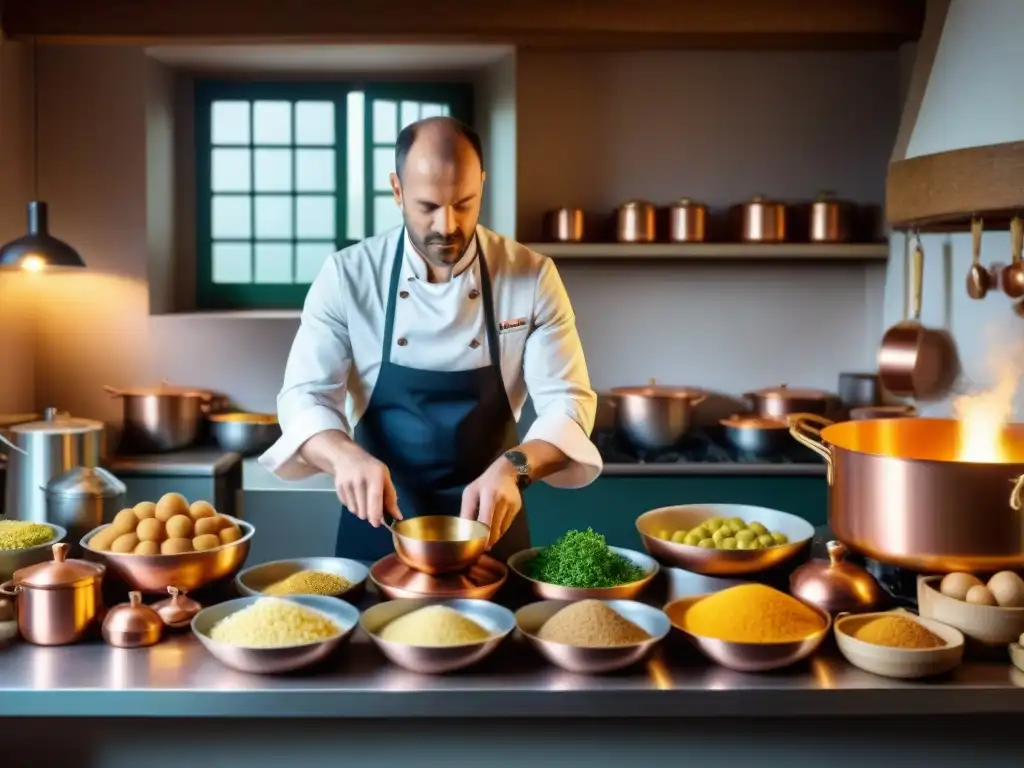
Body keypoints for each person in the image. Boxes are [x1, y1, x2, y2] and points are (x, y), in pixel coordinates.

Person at [259, 116, 602, 563]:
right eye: (428, 206)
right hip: (379, 527)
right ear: (397, 190)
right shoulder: (348, 276)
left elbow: (568, 407)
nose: (448, 224)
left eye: (465, 203)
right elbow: (303, 398)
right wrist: (344, 456)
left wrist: (515, 468)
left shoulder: (531, 277)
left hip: (490, 531)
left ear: (482, 183)